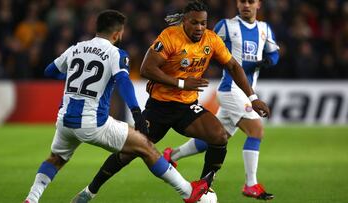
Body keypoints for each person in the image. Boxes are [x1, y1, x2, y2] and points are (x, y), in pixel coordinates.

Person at [71, 1, 270, 202]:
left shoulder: (211, 40)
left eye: (203, 23)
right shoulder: (170, 37)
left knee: (219, 137)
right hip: (159, 107)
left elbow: (234, 66)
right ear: (185, 21)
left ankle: (203, 187)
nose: (200, 28)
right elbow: (147, 69)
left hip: (186, 107)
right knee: (127, 154)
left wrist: (252, 98)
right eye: (194, 23)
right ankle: (90, 191)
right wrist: (182, 83)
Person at [23, 10, 214, 203]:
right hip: (93, 123)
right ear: (117, 34)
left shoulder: (76, 48)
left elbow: (49, 71)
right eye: (121, 32)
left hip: (65, 121)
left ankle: (31, 199)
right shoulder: (115, 53)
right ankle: (188, 193)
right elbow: (123, 82)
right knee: (146, 147)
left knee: (55, 160)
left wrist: (74, 78)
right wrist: (136, 112)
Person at [163, 0, 280, 200]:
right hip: (230, 89)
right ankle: (251, 184)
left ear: (258, 4)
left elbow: (274, 52)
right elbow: (204, 42)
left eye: (251, 1)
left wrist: (268, 61)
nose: (246, 5)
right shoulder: (226, 26)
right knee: (257, 130)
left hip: (244, 91)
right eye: (242, 1)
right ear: (237, 3)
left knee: (218, 138)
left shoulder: (264, 29)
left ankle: (171, 155)